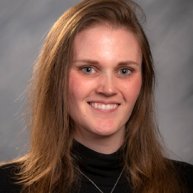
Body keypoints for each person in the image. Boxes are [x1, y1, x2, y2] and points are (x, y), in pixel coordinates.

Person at [0, 0, 192, 193]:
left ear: (143, 81)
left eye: (125, 70)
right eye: (88, 69)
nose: (108, 89)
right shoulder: (6, 185)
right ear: (57, 78)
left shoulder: (185, 182)